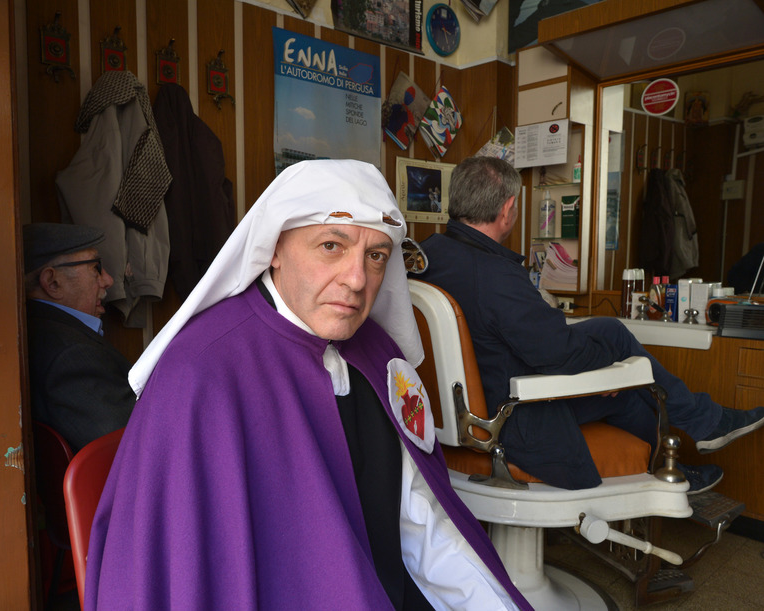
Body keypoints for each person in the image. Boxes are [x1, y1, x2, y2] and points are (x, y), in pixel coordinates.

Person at [85, 160, 533, 610]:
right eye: (331, 246)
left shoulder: (378, 354)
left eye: (376, 255)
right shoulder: (199, 376)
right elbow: (175, 578)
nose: (356, 279)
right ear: (275, 248)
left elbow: (423, 525)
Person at [414, 156, 764, 492]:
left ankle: (699, 432)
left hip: (461, 407)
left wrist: (602, 361)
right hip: (511, 418)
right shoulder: (494, 274)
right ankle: (683, 455)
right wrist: (607, 365)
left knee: (610, 331)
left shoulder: (428, 255)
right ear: (507, 209)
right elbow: (558, 353)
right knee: (628, 390)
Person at [23, 223, 136, 451]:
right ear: (53, 282)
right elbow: (130, 448)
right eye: (96, 268)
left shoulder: (36, 328)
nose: (108, 280)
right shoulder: (72, 355)